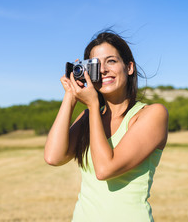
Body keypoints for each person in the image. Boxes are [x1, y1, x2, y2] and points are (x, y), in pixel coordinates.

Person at [44, 31, 168, 221]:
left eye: (111, 61)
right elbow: (53, 157)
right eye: (95, 64)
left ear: (129, 67)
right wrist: (70, 96)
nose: (103, 70)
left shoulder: (152, 114)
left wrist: (93, 105)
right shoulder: (88, 118)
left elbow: (104, 170)